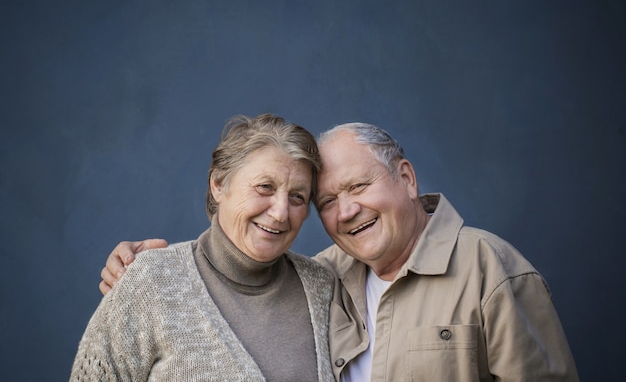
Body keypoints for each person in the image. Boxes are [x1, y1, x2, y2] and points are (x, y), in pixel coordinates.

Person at [101, 122, 580, 381]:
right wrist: (153, 269)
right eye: (327, 201)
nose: (347, 211)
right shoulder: (324, 277)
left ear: (407, 179)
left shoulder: (491, 270)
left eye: (359, 186)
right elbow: (239, 261)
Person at [71, 114, 335, 381]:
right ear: (218, 184)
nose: (280, 213)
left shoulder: (323, 288)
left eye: (297, 197)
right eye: (265, 187)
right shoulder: (151, 282)